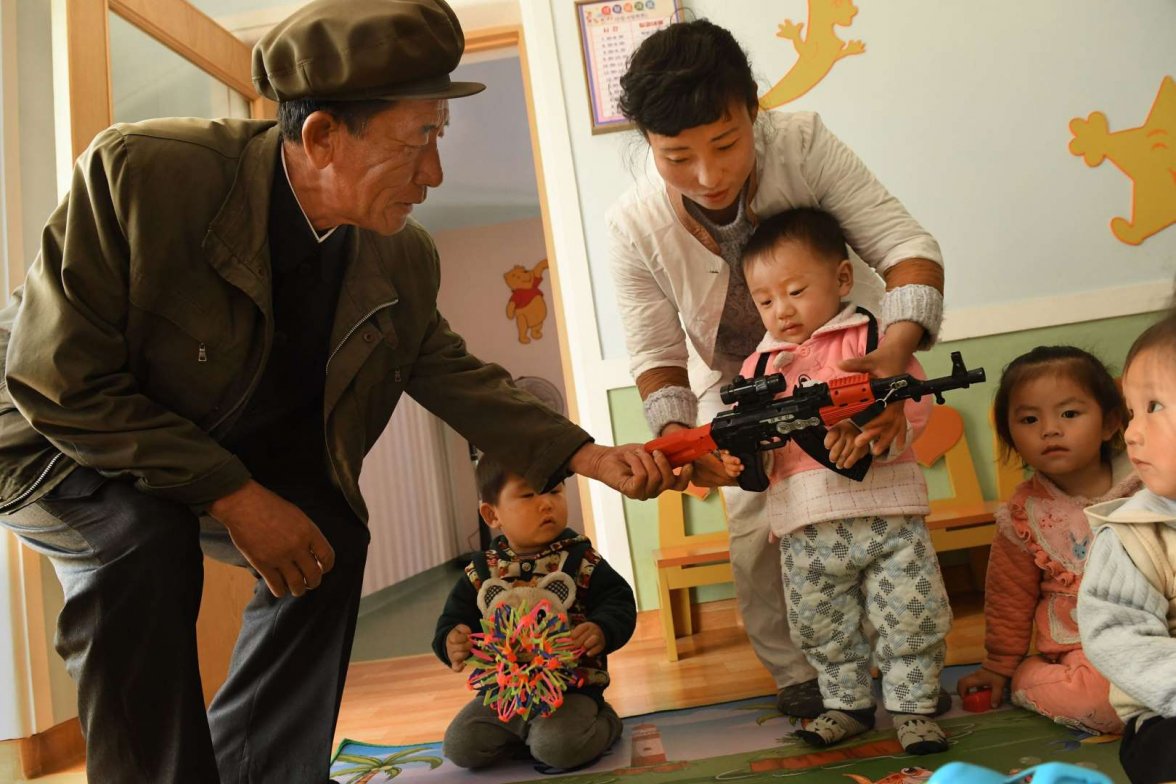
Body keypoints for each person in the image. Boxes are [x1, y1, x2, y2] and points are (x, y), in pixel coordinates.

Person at [0, 1, 682, 781]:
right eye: (417, 140)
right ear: (323, 135)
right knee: (141, 545)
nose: (435, 172)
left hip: (197, 452)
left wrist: (591, 455)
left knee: (328, 536)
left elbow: (449, 370)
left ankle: (261, 770)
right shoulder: (145, 175)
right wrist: (234, 495)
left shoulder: (399, 256)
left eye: (439, 137)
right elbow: (54, 377)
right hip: (52, 439)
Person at [608, 18, 945, 718]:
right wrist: (679, 447)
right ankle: (803, 675)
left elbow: (905, 244)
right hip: (736, 386)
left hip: (849, 356)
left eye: (726, 144)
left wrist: (888, 360)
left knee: (877, 494)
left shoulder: (805, 143)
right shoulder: (632, 226)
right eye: (676, 157)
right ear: (646, 142)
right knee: (756, 529)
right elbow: (657, 355)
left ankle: (906, 660)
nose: (708, 174)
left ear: (753, 112)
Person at [721, 208, 949, 755]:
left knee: (912, 610)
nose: (782, 310)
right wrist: (745, 459)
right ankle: (845, 705)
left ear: (842, 279)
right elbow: (757, 457)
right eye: (765, 300)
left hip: (887, 512)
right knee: (820, 624)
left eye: (796, 290)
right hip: (805, 524)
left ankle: (914, 707)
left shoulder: (872, 338)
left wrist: (883, 423)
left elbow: (913, 402)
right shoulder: (756, 371)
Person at [957, 346, 1138, 734]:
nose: (1049, 429)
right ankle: (1030, 678)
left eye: (1069, 414)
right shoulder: (1024, 515)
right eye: (1029, 419)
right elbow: (1009, 596)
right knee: (1105, 706)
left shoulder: (1146, 485)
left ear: (1109, 424)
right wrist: (999, 666)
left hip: (1153, 631)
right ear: (1010, 435)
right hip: (1083, 650)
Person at [434, 453, 634, 771]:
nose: (546, 504)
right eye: (528, 495)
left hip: (572, 692)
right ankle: (523, 732)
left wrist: (602, 628)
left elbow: (619, 602)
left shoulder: (582, 560)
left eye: (554, 491)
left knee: (556, 748)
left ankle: (605, 722)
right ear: (491, 514)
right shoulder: (481, 571)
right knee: (460, 747)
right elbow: (453, 619)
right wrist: (450, 641)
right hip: (503, 694)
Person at [1078, 312, 1176, 784]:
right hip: (1167, 713)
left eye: (1154, 406)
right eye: (1132, 411)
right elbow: (1117, 635)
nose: (1132, 432)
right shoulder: (1132, 534)